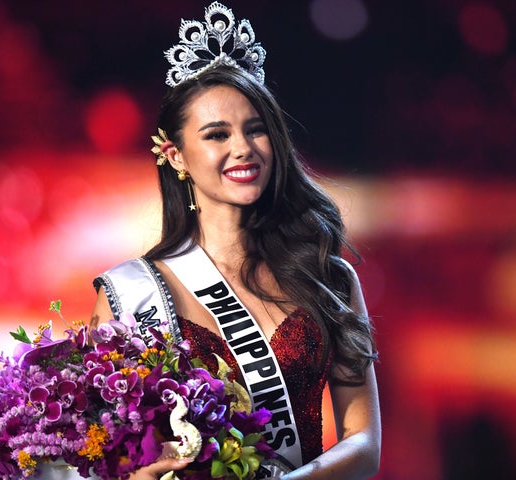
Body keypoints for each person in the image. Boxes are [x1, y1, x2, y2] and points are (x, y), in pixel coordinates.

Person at [90, 3, 381, 479]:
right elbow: (101, 456)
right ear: (175, 155)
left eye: (256, 129)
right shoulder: (128, 295)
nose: (242, 148)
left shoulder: (326, 276)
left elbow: (364, 444)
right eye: (217, 134)